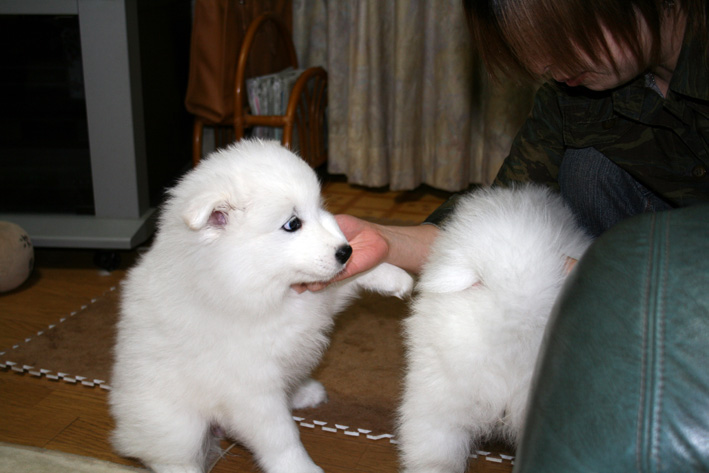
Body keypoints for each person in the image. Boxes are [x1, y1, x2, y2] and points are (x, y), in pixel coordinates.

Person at [300, 0, 708, 292]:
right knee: (586, 169)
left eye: (555, 35)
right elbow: (498, 214)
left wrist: (598, 274)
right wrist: (383, 240)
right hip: (652, 274)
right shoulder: (575, 94)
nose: (542, 65)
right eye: (525, 44)